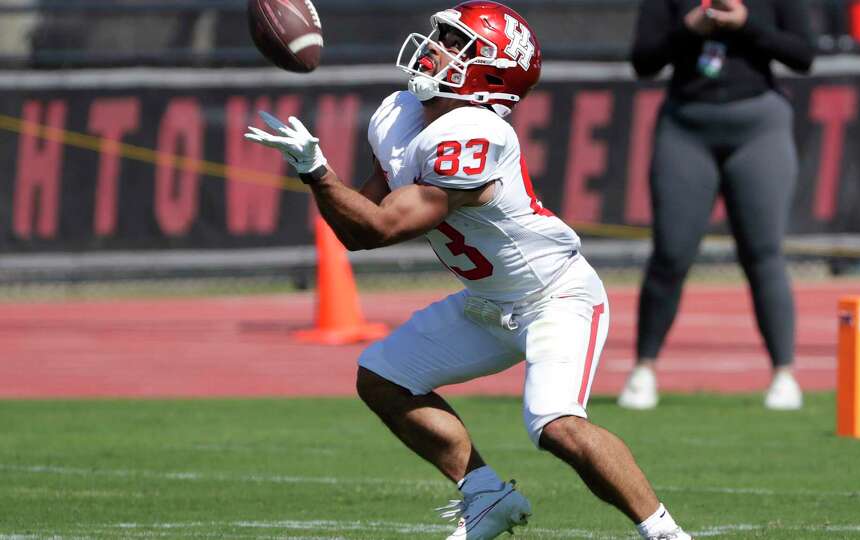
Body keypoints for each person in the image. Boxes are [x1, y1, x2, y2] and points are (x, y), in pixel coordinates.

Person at [246, 2, 695, 538]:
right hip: (486, 303)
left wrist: (317, 172)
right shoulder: (400, 114)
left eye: (457, 43)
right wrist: (315, 173)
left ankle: (665, 533)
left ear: (490, 74)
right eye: (440, 34)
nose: (434, 46)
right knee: (384, 378)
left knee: (556, 425)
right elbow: (356, 231)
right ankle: (485, 496)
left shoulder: (476, 133)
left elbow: (383, 227)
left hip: (554, 298)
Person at [617, 0, 816, 412]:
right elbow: (643, 61)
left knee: (763, 252)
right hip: (687, 125)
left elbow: (803, 55)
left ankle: (783, 373)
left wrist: (747, 24)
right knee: (671, 252)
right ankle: (644, 369)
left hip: (759, 125)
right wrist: (690, 27)